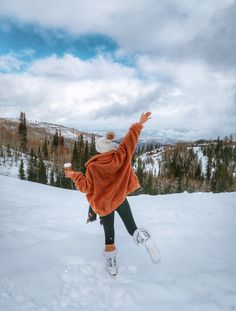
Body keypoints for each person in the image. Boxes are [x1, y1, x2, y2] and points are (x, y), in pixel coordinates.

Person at [65, 112, 157, 276]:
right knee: (132, 227)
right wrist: (139, 124)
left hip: (104, 206)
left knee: (109, 234)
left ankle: (112, 265)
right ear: (110, 148)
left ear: (99, 151)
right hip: (120, 199)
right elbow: (130, 140)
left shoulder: (93, 167)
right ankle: (142, 237)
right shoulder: (121, 156)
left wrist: (74, 175)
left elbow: (86, 187)